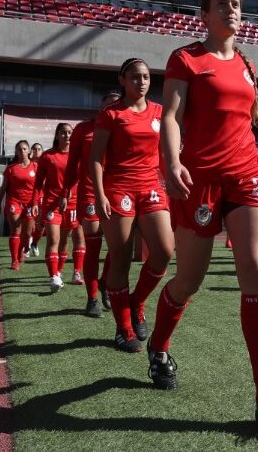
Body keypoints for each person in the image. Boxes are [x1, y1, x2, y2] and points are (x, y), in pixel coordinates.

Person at [155, 0, 258, 448]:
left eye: (237, 4)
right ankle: (158, 347)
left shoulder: (246, 63)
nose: (233, 9)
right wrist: (173, 160)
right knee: (188, 282)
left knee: (256, 271)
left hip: (246, 175)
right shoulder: (186, 59)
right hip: (198, 180)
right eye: (223, 3)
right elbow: (171, 117)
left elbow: (249, 113)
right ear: (204, 13)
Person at [91, 59, 173, 351]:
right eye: (135, 77)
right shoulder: (111, 114)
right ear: (122, 80)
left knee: (164, 251)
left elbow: (165, 154)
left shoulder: (160, 112)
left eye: (146, 77)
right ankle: (123, 328)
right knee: (121, 257)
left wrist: (172, 183)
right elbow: (96, 158)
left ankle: (137, 301)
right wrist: (99, 195)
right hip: (118, 189)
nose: (141, 81)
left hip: (151, 187)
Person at [66, 91, 122, 317]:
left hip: (117, 192)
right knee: (94, 245)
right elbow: (72, 164)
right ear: (100, 107)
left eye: (116, 105)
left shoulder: (124, 127)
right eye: (108, 105)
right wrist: (64, 191)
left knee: (119, 247)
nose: (112, 109)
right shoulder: (83, 129)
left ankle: (106, 283)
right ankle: (92, 298)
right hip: (89, 193)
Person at [35, 123, 84, 293]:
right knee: (53, 240)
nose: (67, 135)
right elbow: (38, 183)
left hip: (73, 202)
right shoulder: (48, 156)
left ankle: (75, 272)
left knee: (67, 239)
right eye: (63, 133)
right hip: (52, 203)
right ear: (57, 135)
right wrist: (36, 203)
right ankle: (54, 276)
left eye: (70, 132)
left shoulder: (78, 155)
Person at [0, 141, 38, 270]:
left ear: (29, 151)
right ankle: (14, 260)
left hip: (30, 203)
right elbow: (4, 188)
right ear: (16, 152)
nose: (22, 151)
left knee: (27, 233)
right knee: (15, 229)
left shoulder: (36, 167)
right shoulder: (11, 168)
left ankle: (24, 249)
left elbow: (40, 187)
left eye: (24, 149)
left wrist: (37, 203)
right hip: (14, 202)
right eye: (19, 149)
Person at [28, 142, 45, 256]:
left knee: (41, 224)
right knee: (29, 222)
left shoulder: (46, 165)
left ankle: (34, 243)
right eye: (34, 149)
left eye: (39, 149)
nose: (36, 151)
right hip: (29, 198)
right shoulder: (27, 164)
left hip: (42, 197)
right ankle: (26, 246)